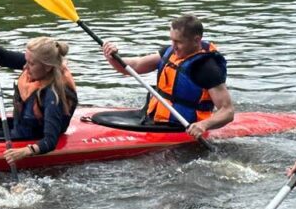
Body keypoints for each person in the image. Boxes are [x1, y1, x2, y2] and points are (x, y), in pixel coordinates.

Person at [100, 14, 234, 140]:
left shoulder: (207, 68)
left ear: (196, 40)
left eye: (178, 42)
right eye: (172, 40)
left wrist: (203, 125)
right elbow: (135, 66)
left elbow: (227, 111)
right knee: (100, 118)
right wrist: (112, 57)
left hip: (182, 126)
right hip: (153, 118)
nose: (173, 46)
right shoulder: (170, 52)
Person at [0, 32, 78, 164]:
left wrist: (24, 152)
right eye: (26, 61)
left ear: (48, 67)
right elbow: (4, 57)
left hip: (31, 138)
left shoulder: (53, 96)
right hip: (20, 127)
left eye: (30, 64)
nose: (24, 67)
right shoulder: (38, 65)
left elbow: (50, 141)